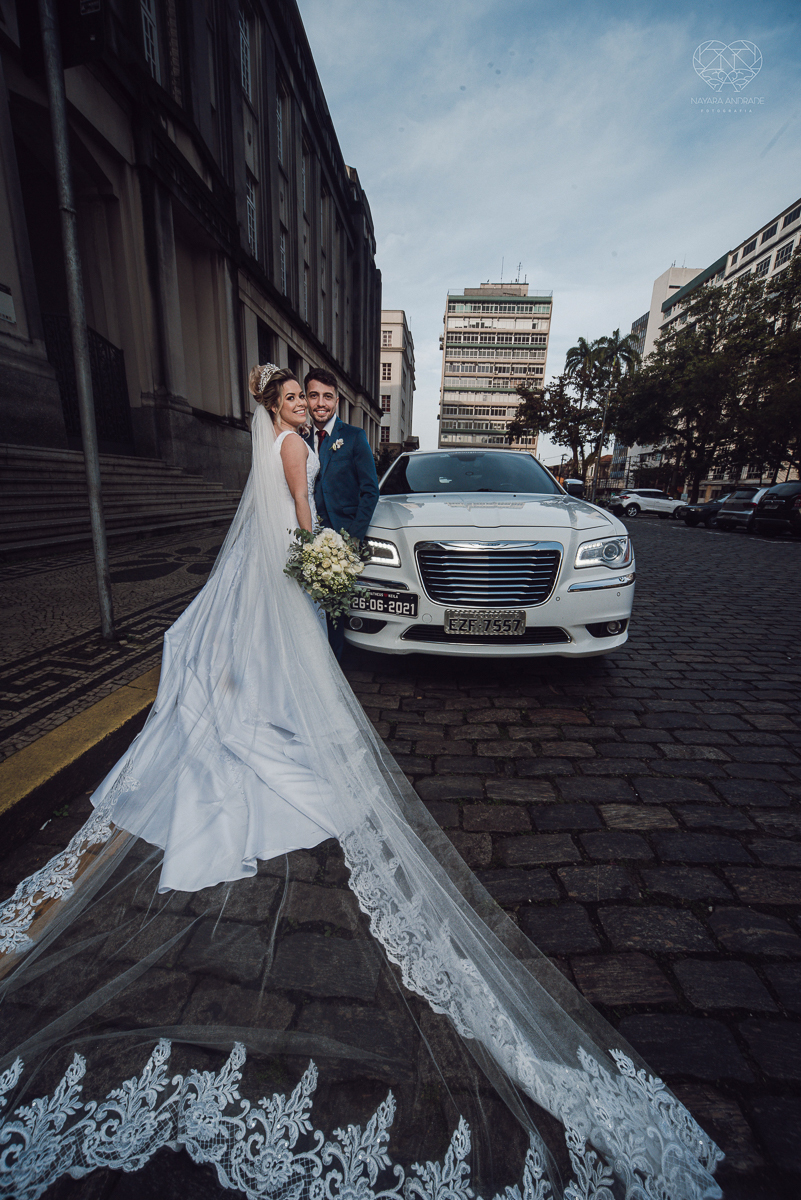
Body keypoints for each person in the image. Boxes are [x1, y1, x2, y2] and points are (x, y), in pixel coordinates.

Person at [0, 365, 723, 1200]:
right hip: (306, 552)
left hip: (292, 554)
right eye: (292, 397)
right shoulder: (294, 445)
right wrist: (321, 554)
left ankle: (269, 707)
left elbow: (323, 499)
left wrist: (319, 544)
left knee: (282, 652)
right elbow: (302, 509)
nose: (304, 405)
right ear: (282, 404)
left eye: (308, 398)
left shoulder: (303, 443)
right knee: (300, 653)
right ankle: (280, 712)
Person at [303, 368, 379, 659]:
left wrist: (352, 540)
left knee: (334, 610)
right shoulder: (300, 436)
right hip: (306, 533)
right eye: (314, 396)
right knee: (306, 605)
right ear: (306, 399)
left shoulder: (354, 437)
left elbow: (370, 491)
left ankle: (332, 666)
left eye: (327, 396)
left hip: (341, 540)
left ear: (337, 400)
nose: (320, 403)